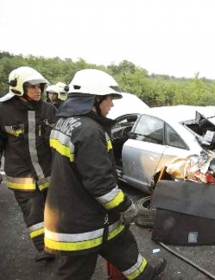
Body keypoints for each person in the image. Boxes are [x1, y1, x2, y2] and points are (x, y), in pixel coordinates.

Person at [44, 69, 166, 279]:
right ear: (95, 98)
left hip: (89, 211)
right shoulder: (90, 131)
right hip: (81, 221)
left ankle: (145, 274)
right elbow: (101, 185)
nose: (112, 104)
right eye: (109, 98)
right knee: (75, 271)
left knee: (122, 245)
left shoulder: (65, 121)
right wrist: (127, 207)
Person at [0, 66, 57, 262]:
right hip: (22, 175)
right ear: (18, 87)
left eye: (39, 86)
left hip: (49, 172)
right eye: (31, 86)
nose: (38, 90)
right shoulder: (3, 110)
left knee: (56, 210)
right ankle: (44, 248)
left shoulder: (49, 109)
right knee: (33, 212)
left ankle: (60, 243)